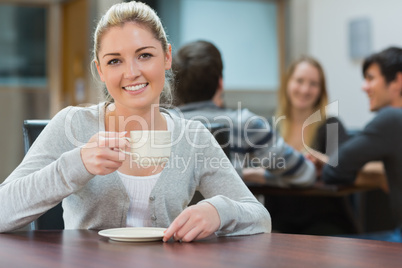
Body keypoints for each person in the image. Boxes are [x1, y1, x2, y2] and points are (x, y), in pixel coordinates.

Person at [0, 1, 271, 242]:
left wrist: (219, 211)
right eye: (115, 61)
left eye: (144, 55)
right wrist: (77, 164)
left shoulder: (194, 137)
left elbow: (260, 218)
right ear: (100, 71)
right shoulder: (72, 125)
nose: (131, 73)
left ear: (167, 57)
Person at [171, 40, 316, 188]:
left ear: (174, 86)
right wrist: (248, 174)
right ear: (220, 83)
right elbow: (304, 174)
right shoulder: (244, 124)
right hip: (223, 211)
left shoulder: (156, 123)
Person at [260, 56, 354, 235]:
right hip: (278, 219)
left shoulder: (331, 125)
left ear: (321, 90)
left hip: (326, 220)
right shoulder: (271, 126)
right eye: (299, 81)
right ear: (288, 83)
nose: (305, 89)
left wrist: (322, 161)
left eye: (313, 84)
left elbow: (343, 168)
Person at [321, 47, 402, 242]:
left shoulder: (392, 119)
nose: (364, 87)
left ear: (398, 81)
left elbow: (332, 171)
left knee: (323, 248)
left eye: (371, 78)